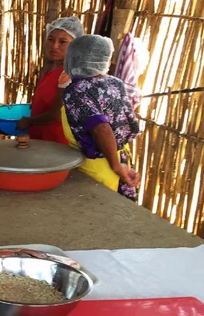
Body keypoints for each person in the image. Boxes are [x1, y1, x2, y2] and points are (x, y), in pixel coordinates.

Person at [61, 35, 141, 199]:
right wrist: (120, 165)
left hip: (96, 170)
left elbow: (101, 128)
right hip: (120, 159)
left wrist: (115, 166)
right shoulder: (115, 83)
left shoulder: (77, 91)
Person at [16, 17, 85, 144]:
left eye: (62, 42)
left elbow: (56, 115)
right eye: (51, 39)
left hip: (57, 143)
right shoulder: (53, 68)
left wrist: (29, 121)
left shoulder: (68, 73)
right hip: (43, 140)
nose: (54, 46)